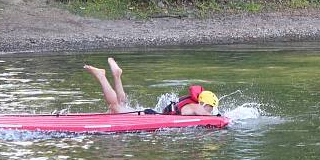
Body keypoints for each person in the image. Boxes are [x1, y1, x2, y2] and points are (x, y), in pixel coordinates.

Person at [84, 58, 219, 116]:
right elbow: (209, 117)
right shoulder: (196, 107)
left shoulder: (190, 104)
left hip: (150, 113)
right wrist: (221, 118)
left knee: (120, 105)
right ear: (204, 103)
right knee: (116, 107)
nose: (210, 110)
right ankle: (102, 76)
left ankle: (117, 76)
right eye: (210, 107)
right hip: (150, 115)